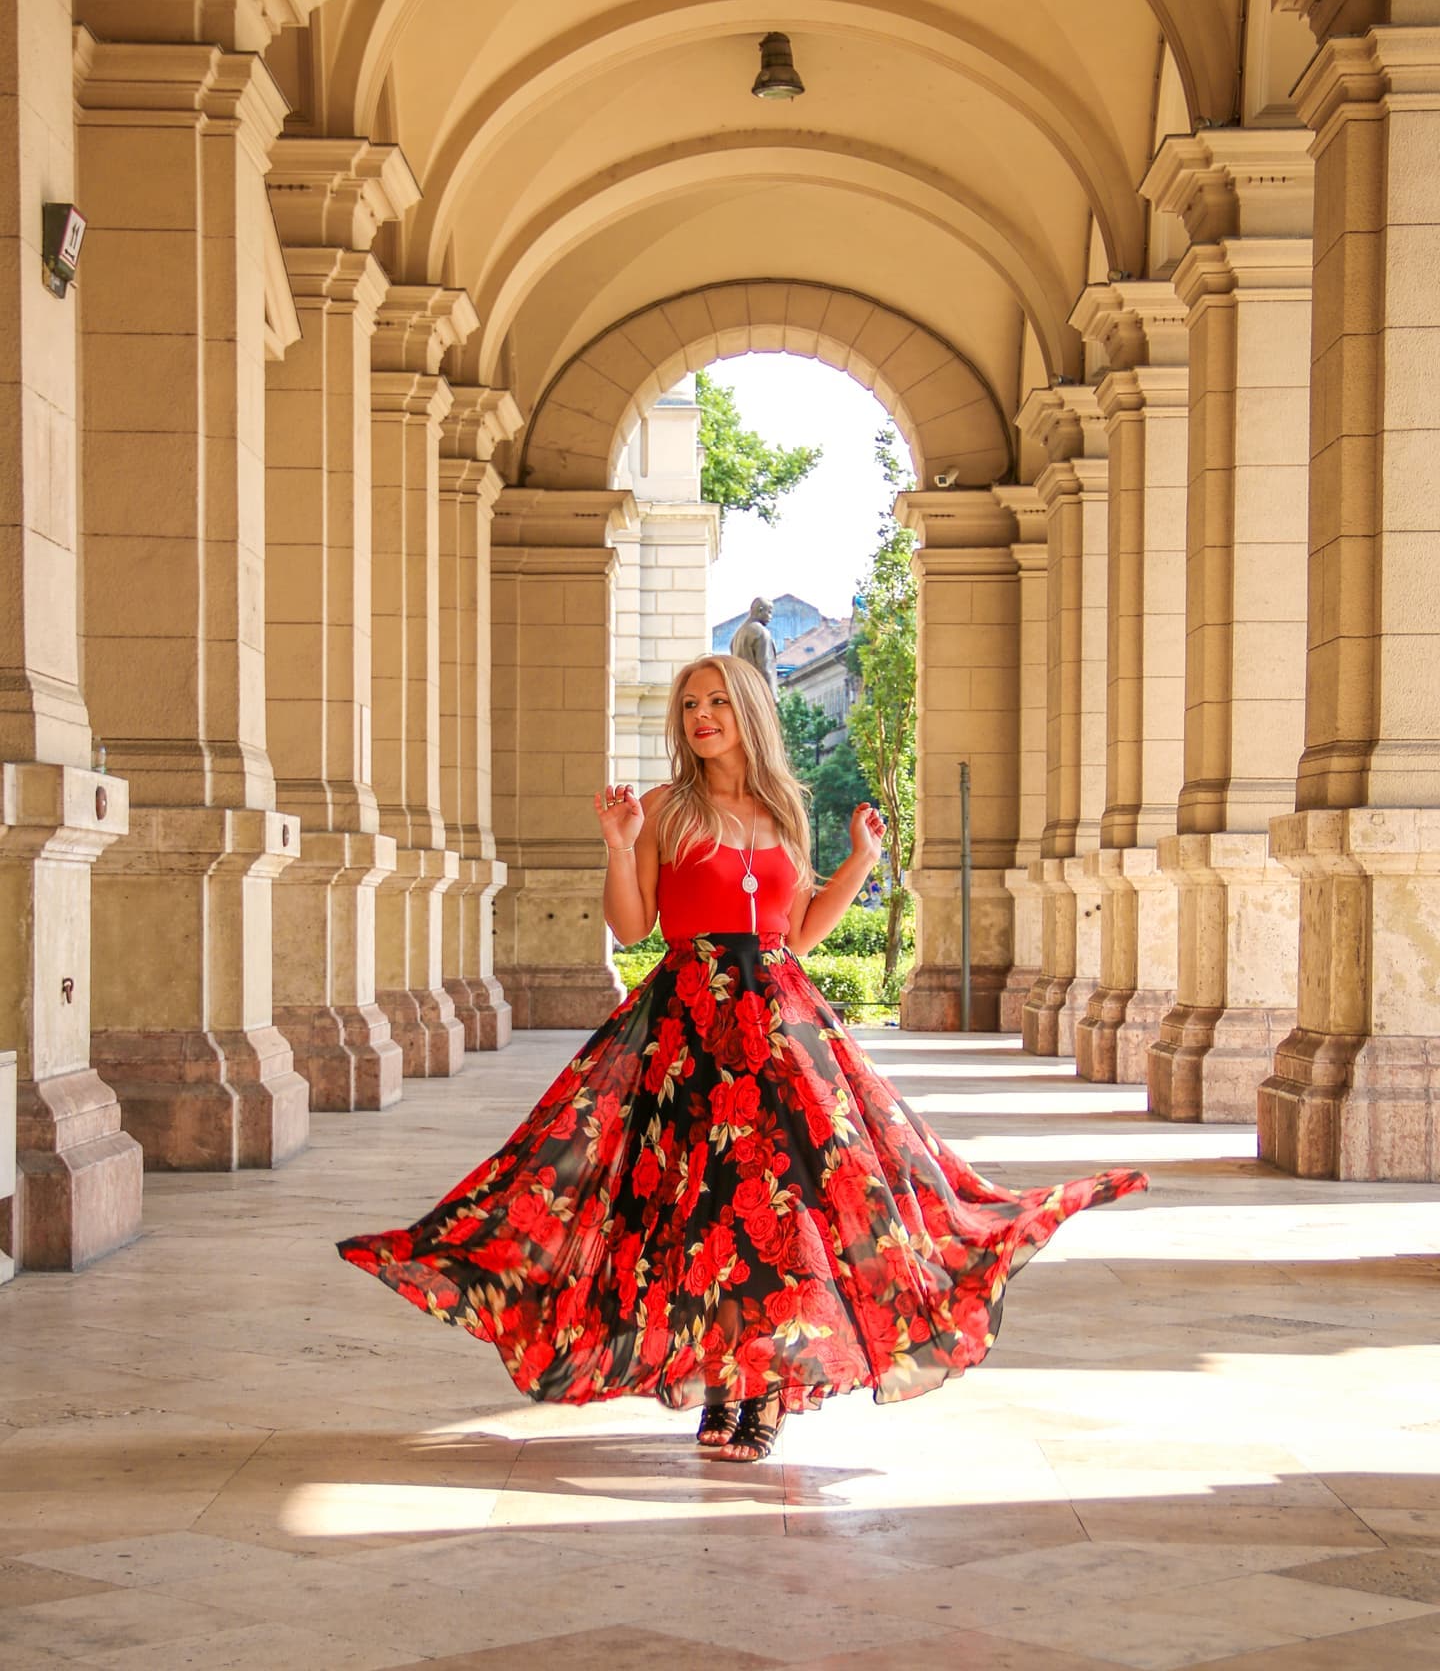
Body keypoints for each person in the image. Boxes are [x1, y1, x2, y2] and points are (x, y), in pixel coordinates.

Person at [337, 654, 1147, 1464]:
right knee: (704, 1215)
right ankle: (725, 1387)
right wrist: (619, 845)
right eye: (691, 704)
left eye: (719, 701)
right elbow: (632, 927)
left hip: (782, 1030)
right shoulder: (665, 808)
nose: (702, 716)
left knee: (786, 1207)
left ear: (749, 711)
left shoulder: (785, 809)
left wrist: (862, 860)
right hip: (689, 1028)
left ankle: (763, 1390)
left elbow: (799, 933)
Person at [729, 596, 778, 696]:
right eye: (769, 612)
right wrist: (772, 696)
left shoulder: (738, 634)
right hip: (757, 692)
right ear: (760, 610)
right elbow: (765, 667)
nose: (771, 616)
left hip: (741, 690)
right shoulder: (761, 632)